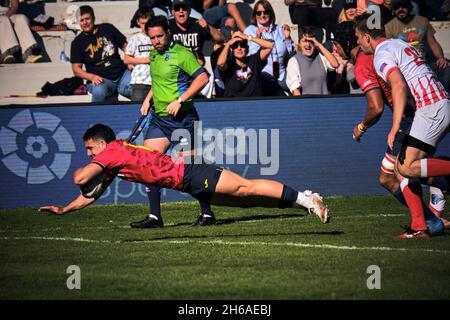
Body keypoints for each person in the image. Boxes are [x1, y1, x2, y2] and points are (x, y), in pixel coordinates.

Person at [37, 124, 329, 226]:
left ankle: (306, 198)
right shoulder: (113, 157)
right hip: (186, 182)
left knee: (246, 187)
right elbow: (91, 194)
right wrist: (64, 210)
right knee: (246, 200)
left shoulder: (110, 152)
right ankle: (299, 202)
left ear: (101, 143)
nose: (89, 154)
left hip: (190, 173)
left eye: (90, 148)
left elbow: (80, 179)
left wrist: (89, 169)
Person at [332, 20, 448, 233]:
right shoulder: (397, 43)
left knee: (402, 170)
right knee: (394, 173)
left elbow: (377, 105)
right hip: (433, 102)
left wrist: (363, 127)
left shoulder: (370, 59)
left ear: (362, 38)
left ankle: (424, 222)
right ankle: (429, 220)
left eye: (336, 44)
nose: (334, 49)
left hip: (417, 112)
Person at [135, 15, 212, 228]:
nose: (156, 41)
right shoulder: (153, 55)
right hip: (159, 120)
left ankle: (207, 214)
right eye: (152, 38)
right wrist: (148, 100)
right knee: (149, 165)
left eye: (159, 36)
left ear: (168, 32)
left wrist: (180, 100)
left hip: (183, 119)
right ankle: (154, 217)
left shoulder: (182, 54)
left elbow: (203, 78)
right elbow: (158, 82)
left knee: (192, 168)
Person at [70, 5, 132, 102]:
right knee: (99, 91)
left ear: (93, 18)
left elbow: (125, 46)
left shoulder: (108, 28)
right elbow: (76, 69)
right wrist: (92, 77)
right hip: (101, 80)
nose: (85, 23)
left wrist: (129, 59)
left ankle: (146, 113)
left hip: (121, 73)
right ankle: (96, 116)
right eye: (81, 20)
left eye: (87, 19)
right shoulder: (77, 42)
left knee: (136, 88)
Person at [385, 0, 450, 90]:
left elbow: (433, 43)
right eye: (397, 8)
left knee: (446, 70)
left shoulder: (422, 21)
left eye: (403, 7)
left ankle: (444, 96)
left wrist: (441, 58)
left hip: (426, 62)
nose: (400, 9)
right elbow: (391, 51)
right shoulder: (389, 27)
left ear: (409, 7)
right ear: (393, 10)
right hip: (407, 67)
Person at [169, 0, 225, 98]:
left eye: (184, 8)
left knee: (207, 81)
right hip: (175, 73)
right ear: (172, 12)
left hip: (196, 70)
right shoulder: (168, 27)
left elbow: (221, 38)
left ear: (189, 11)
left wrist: (208, 27)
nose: (181, 11)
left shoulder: (197, 24)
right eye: (177, 9)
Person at [244, 0, 296, 96]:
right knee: (279, 94)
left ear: (271, 14)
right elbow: (252, 57)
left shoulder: (279, 30)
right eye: (259, 13)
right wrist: (258, 39)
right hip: (263, 75)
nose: (262, 15)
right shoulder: (250, 31)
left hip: (281, 74)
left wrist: (288, 40)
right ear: (255, 15)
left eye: (266, 12)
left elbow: (291, 56)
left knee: (299, 86)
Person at [216, 31, 274, 98]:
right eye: (235, 46)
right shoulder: (229, 65)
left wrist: (247, 37)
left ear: (247, 48)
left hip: (255, 102)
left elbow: (270, 46)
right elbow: (220, 64)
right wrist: (228, 44)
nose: (239, 48)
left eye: (242, 45)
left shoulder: (254, 60)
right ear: (232, 50)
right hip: (234, 103)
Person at [285, 26, 339, 96]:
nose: (308, 45)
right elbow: (295, 91)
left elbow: (335, 64)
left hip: (324, 103)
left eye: (310, 41)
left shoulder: (320, 57)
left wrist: (319, 45)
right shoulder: (293, 62)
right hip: (307, 105)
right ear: (299, 43)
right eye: (304, 41)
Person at [124, 7, 155, 102]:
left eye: (148, 23)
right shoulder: (135, 38)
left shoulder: (157, 36)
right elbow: (126, 59)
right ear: (138, 22)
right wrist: (145, 60)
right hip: (139, 82)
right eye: (143, 23)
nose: (145, 26)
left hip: (157, 81)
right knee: (138, 110)